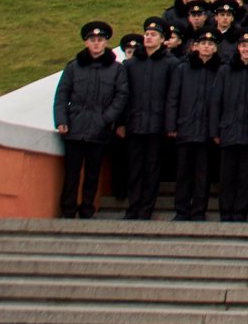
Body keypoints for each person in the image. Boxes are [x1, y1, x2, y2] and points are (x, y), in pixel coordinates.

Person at [54, 21, 129, 219]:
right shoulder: (73, 67)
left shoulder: (116, 69)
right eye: (92, 40)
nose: (96, 43)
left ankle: (87, 209)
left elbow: (121, 97)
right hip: (75, 128)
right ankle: (68, 209)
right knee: (71, 174)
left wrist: (106, 119)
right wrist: (61, 120)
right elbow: (62, 94)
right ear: (86, 43)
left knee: (92, 174)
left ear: (106, 43)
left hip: (100, 130)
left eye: (100, 40)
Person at [167, 30, 224, 222]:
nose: (206, 47)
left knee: (203, 174)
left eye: (210, 44)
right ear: (195, 46)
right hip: (186, 127)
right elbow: (173, 97)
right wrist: (171, 124)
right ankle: (181, 210)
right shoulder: (183, 68)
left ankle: (199, 210)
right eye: (203, 43)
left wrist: (216, 129)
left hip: (207, 130)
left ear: (216, 48)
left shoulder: (220, 69)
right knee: (183, 173)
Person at [120, 20, 174, 221]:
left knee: (152, 169)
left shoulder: (171, 64)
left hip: (157, 126)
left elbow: (172, 97)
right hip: (135, 123)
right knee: (134, 168)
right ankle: (133, 206)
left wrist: (169, 124)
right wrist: (121, 122)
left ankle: (146, 209)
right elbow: (124, 95)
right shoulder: (131, 64)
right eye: (147, 33)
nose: (149, 37)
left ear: (162, 39)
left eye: (154, 34)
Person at [214, 30, 248, 222]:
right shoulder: (226, 70)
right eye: (243, 46)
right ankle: (225, 211)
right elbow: (216, 101)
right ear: (238, 48)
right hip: (228, 128)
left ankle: (240, 211)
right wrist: (215, 130)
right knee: (227, 175)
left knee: (245, 175)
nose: (246, 49)